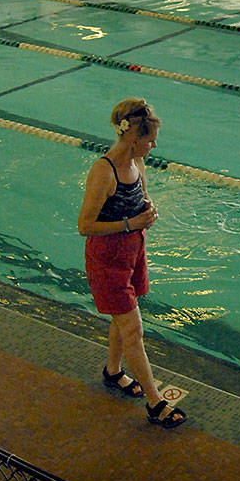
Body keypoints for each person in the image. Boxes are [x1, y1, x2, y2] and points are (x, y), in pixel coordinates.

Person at [78, 98, 187, 429]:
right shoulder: (104, 171)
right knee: (133, 329)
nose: (155, 145)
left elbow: (140, 199)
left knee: (121, 320)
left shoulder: (138, 165)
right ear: (133, 137)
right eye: (150, 139)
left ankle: (113, 371)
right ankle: (155, 403)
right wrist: (131, 223)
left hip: (132, 252)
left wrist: (147, 212)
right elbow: (85, 226)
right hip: (108, 258)